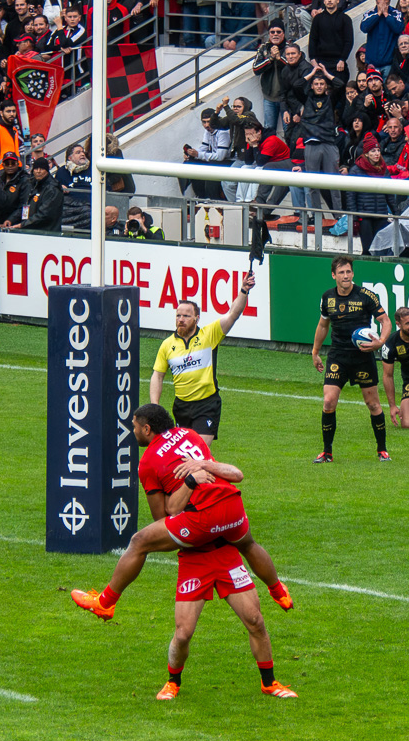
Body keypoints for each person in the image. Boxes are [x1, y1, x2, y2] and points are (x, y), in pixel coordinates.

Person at [72, 405, 296, 701]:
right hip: (222, 525)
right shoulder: (190, 434)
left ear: (147, 429)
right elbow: (234, 473)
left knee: (140, 542)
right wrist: (201, 469)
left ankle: (106, 602)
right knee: (189, 628)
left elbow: (163, 515)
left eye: (135, 426)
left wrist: (189, 483)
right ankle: (278, 590)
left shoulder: (148, 462)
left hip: (204, 531)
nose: (133, 430)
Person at [148, 272, 255, 443]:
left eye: (186, 316)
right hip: (181, 407)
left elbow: (233, 314)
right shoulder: (167, 345)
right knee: (183, 457)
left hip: (206, 405)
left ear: (197, 318)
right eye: (178, 315)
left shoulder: (209, 335)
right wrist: (155, 405)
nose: (181, 320)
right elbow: (157, 375)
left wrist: (243, 290)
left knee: (198, 455)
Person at [310, 254, 391, 463]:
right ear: (333, 275)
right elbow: (323, 325)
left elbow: (386, 321)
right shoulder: (327, 297)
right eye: (341, 272)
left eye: (349, 272)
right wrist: (315, 352)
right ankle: (326, 452)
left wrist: (380, 342)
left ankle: (382, 450)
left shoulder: (366, 296)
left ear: (353, 274)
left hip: (363, 356)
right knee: (328, 401)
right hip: (338, 356)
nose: (346, 276)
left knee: (373, 404)